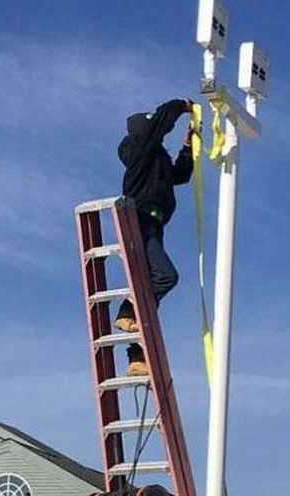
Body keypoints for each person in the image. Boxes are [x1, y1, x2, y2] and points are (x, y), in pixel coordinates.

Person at [113, 98, 195, 377]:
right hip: (139, 221)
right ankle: (126, 310)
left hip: (154, 224)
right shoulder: (139, 150)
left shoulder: (154, 161)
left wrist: (188, 147)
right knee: (164, 277)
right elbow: (159, 123)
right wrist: (181, 105)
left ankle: (136, 356)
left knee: (147, 289)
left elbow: (180, 175)